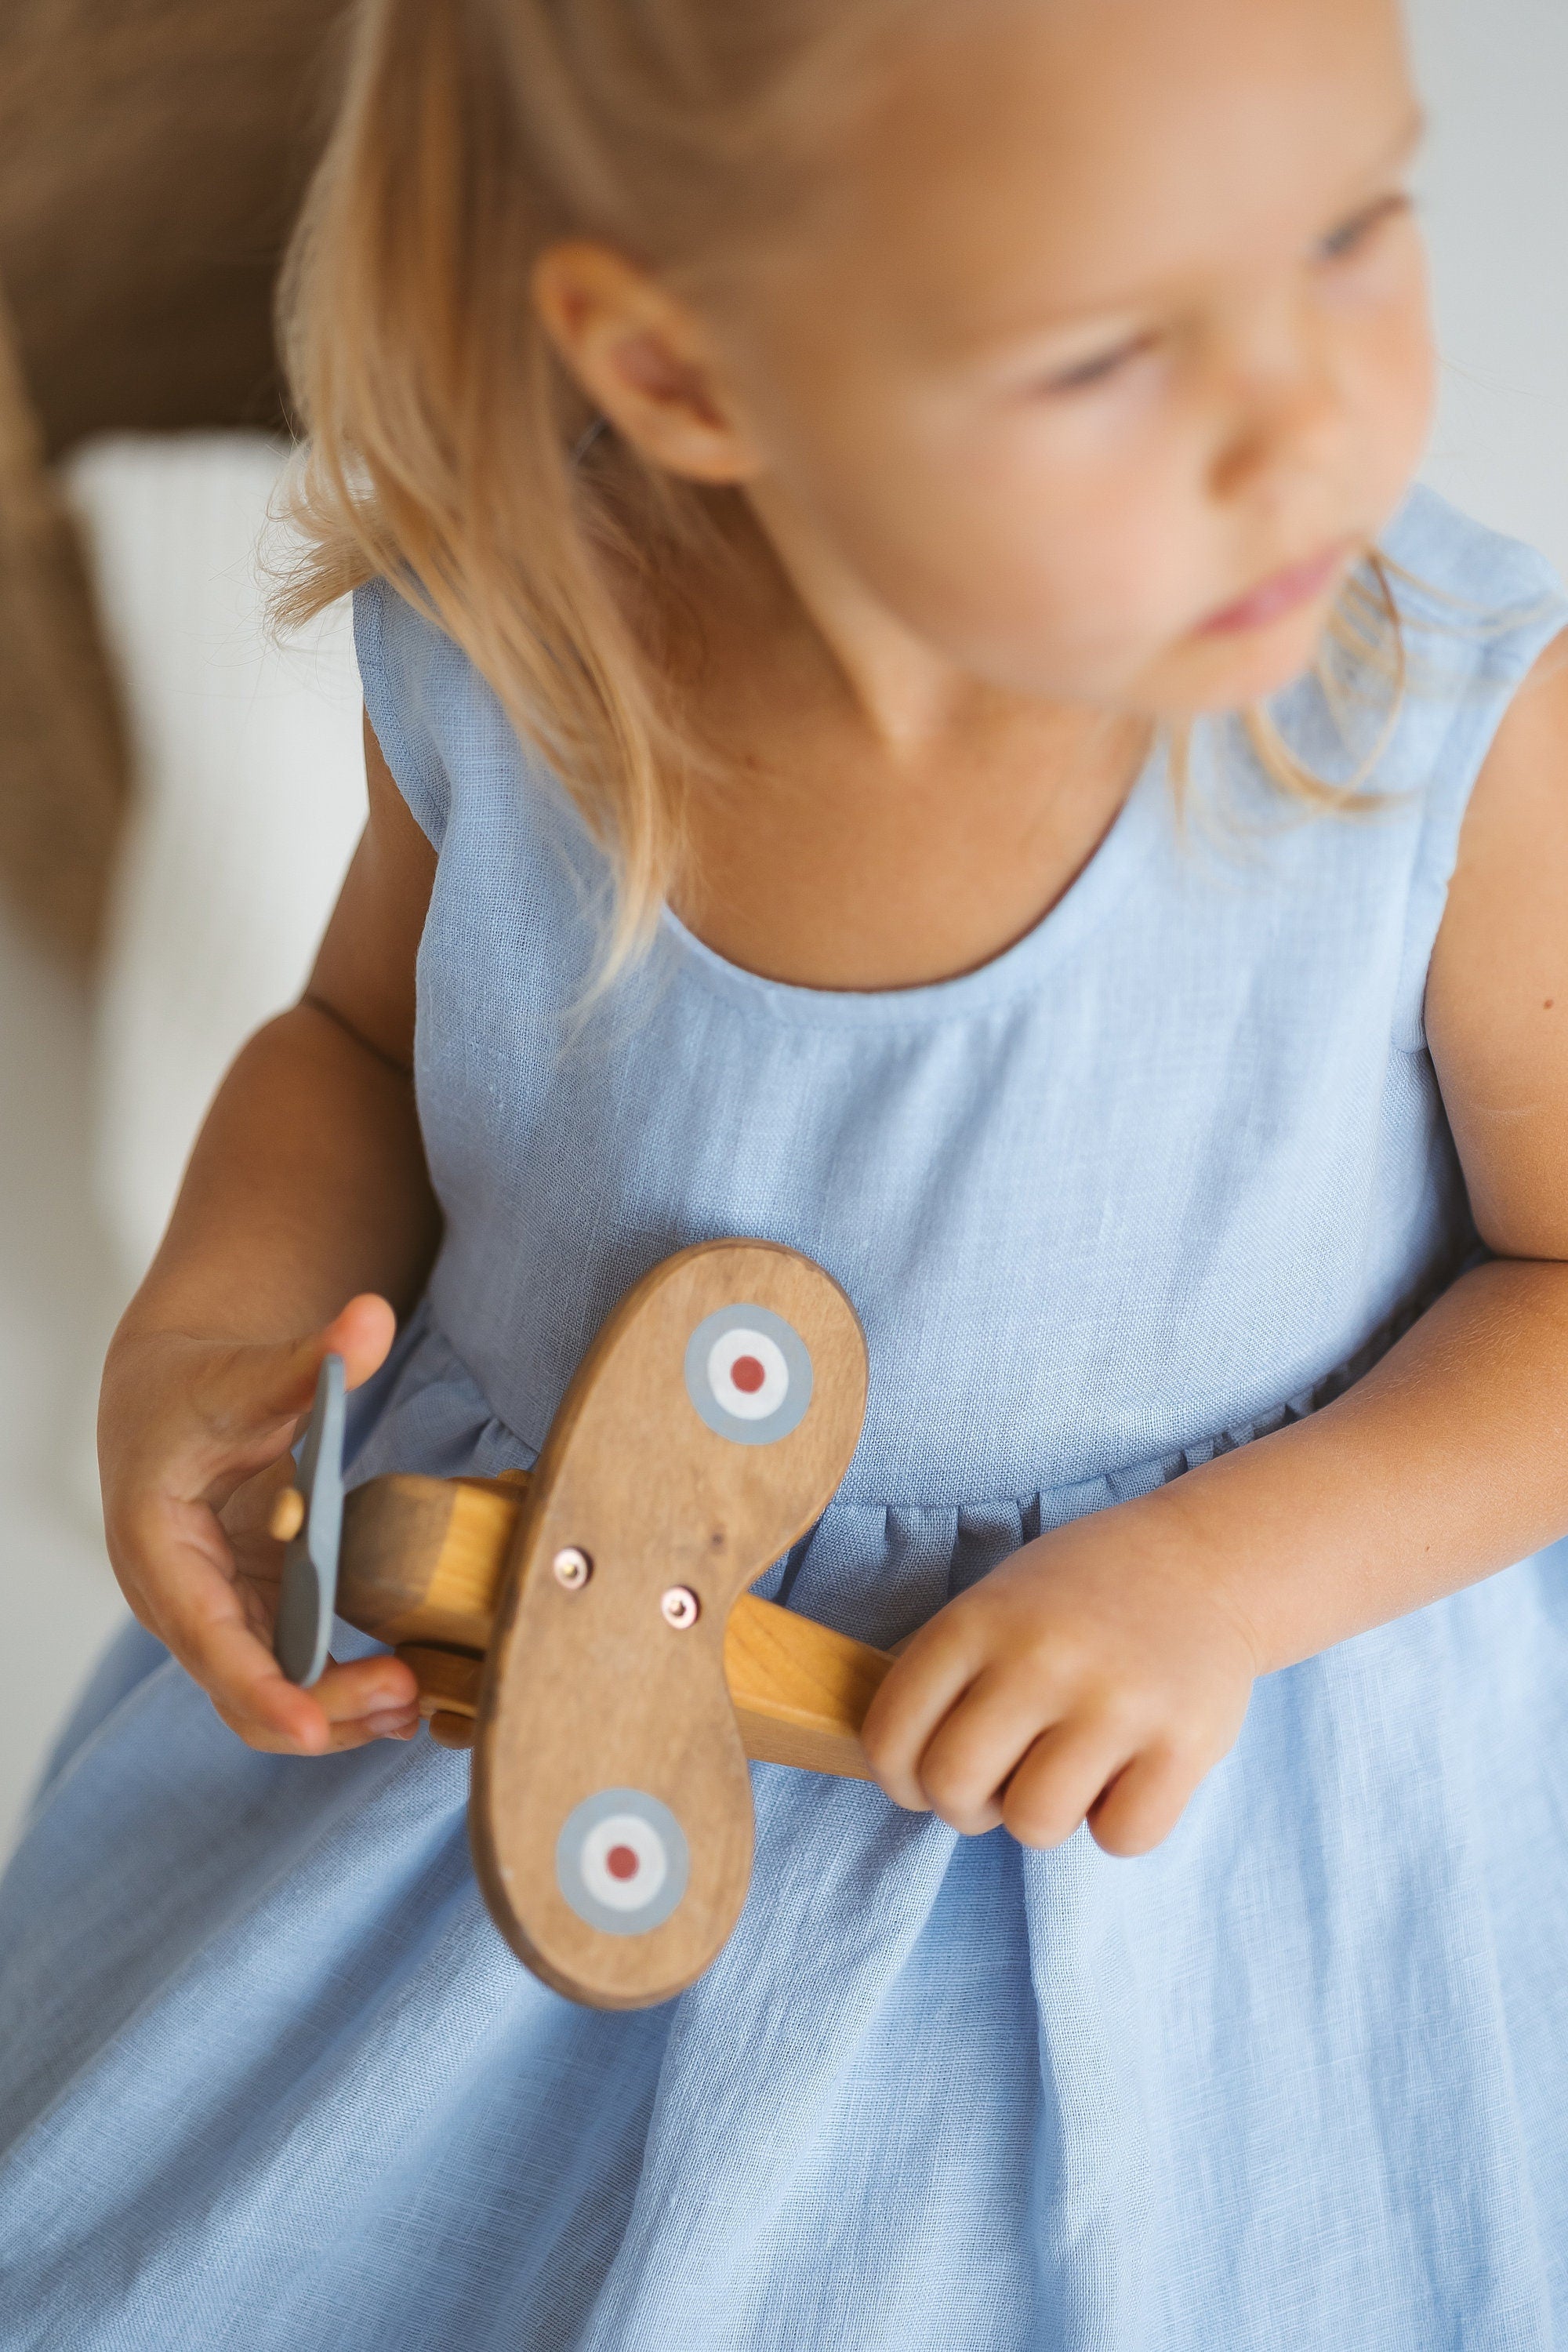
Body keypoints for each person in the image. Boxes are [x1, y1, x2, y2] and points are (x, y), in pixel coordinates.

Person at [4, 0, 1568, 2341]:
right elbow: (359, 1044)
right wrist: (215, 1323)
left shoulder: (1422, 720)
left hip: (1160, 1844)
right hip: (506, 1727)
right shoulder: (525, 652)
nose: (1306, 417)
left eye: (1354, 227)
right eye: (1102, 352)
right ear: (681, 371)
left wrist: (1219, 1583)